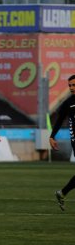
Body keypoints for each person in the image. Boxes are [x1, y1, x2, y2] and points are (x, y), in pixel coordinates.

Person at [50, 74, 75, 211]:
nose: (71, 88)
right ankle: (62, 193)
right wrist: (52, 136)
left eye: (74, 85)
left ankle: (62, 193)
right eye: (70, 85)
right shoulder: (68, 103)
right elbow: (59, 120)